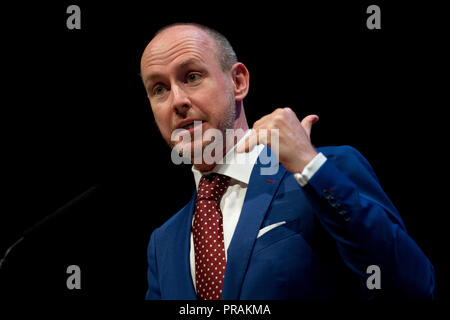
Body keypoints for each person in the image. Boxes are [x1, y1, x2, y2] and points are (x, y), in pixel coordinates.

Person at [140, 22, 435, 300]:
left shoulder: (327, 170)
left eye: (192, 77)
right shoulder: (163, 243)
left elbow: (413, 285)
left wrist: (310, 167)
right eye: (159, 89)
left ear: (238, 81)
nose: (177, 100)